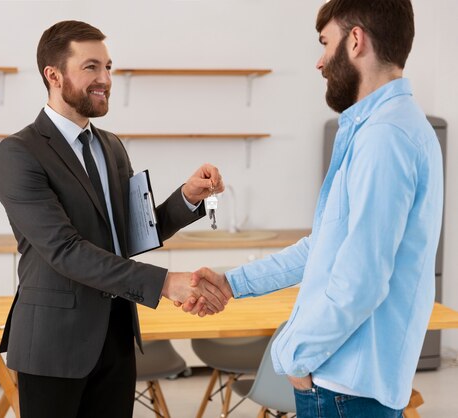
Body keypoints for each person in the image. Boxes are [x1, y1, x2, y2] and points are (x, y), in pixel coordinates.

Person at [187, 0, 443, 416]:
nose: (320, 61)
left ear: (356, 41)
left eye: (326, 43)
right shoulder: (386, 129)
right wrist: (232, 283)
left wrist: (294, 355)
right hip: (346, 382)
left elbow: (361, 280)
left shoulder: (385, 137)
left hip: (344, 385)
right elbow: (323, 247)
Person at [0, 20, 230, 418]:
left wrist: (187, 198)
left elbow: (132, 233)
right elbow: (66, 250)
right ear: (53, 75)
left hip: (116, 334)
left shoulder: (111, 146)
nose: (105, 79)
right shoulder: (20, 152)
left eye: (108, 67)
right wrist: (163, 282)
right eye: (91, 67)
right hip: (54, 345)